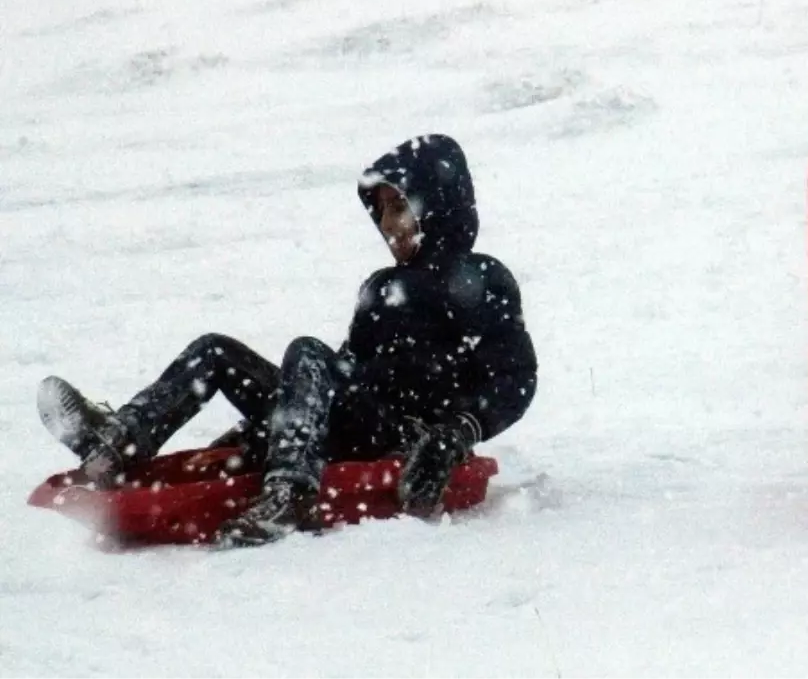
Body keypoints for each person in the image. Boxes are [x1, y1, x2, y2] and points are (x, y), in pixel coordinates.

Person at [37, 134, 538, 547]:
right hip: (353, 421)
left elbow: (515, 378)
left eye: (400, 208)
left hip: (404, 438)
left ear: (439, 205)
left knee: (307, 351)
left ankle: (291, 493)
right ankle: (115, 445)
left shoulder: (481, 280)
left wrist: (456, 433)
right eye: (382, 211)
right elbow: (347, 371)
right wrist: (264, 428)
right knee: (216, 351)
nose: (388, 225)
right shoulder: (381, 288)